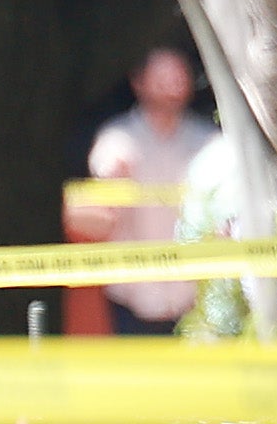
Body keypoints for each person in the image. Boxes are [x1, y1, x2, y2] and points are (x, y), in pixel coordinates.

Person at [73, 48, 218, 337]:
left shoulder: (208, 141)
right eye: (163, 78)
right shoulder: (118, 137)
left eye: (179, 77)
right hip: (132, 296)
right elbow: (105, 179)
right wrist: (113, 178)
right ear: (138, 83)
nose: (174, 86)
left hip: (192, 298)